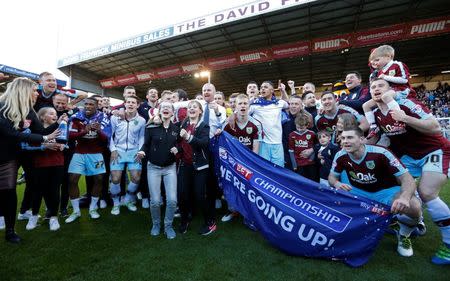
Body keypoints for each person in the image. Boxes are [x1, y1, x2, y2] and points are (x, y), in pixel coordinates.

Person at [367, 78, 450, 264]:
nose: (376, 89)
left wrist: (404, 118)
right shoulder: (374, 114)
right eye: (372, 87)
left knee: (427, 192)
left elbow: (435, 127)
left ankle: (449, 244)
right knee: (396, 192)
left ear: (391, 90)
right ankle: (410, 227)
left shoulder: (406, 104)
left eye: (381, 86)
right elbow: (376, 139)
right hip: (407, 156)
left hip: (432, 150)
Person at [328, 127, 422, 257]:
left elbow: (408, 179)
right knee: (335, 203)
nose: (345, 141)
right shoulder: (340, 155)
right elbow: (332, 177)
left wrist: (405, 198)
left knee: (414, 207)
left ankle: (404, 234)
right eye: (343, 138)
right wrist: (337, 183)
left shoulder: (381, 153)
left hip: (386, 191)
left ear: (361, 139)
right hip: (359, 192)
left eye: (350, 137)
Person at [0, 77, 59, 243]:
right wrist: (45, 137)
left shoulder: (29, 110)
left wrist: (59, 123)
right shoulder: (1, 106)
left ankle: (10, 231)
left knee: (9, 192)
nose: (37, 93)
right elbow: (12, 134)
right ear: (23, 91)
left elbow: (40, 131)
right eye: (34, 90)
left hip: (8, 158)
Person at [137, 101, 180, 239]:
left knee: (172, 200)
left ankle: (168, 226)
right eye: (163, 107)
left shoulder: (177, 128)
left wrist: (177, 148)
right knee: (155, 201)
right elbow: (146, 145)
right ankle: (156, 224)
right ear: (159, 111)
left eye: (169, 108)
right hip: (153, 168)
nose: (166, 109)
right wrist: (141, 152)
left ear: (173, 113)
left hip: (170, 168)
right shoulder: (150, 127)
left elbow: (180, 143)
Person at [65, 97, 111, 223]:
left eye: (91, 104)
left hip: (96, 154)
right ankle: (76, 211)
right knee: (72, 179)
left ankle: (92, 208)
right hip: (79, 152)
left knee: (99, 179)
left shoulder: (103, 118)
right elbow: (69, 136)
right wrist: (84, 131)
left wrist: (99, 131)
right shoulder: (76, 117)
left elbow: (106, 138)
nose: (88, 106)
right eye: (86, 104)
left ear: (97, 106)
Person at [25, 107, 66, 231]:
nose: (55, 115)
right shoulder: (34, 130)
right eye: (51, 113)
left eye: (55, 114)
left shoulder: (61, 128)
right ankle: (34, 216)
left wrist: (63, 145)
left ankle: (54, 218)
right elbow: (27, 146)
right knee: (38, 191)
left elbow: (66, 142)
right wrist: (44, 146)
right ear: (42, 117)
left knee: (54, 190)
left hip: (57, 163)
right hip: (40, 164)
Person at [221, 94, 260, 222]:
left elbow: (256, 146)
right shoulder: (228, 123)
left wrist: (252, 163)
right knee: (231, 185)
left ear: (249, 106)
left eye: (245, 103)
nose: (243, 106)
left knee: (248, 188)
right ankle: (232, 211)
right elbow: (223, 142)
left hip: (248, 163)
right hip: (232, 162)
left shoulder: (255, 124)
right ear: (235, 106)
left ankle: (249, 215)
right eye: (240, 103)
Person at [177, 100, 214, 235]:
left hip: (200, 166)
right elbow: (179, 143)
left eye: (195, 107)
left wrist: (188, 137)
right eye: (189, 107)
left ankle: (210, 222)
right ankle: (184, 220)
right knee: (182, 194)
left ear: (200, 111)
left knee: (200, 195)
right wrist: (177, 150)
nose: (192, 109)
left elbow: (204, 143)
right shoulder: (183, 124)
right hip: (184, 165)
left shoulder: (204, 126)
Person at [364, 45, 415, 138]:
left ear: (388, 56)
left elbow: (404, 80)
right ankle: (373, 126)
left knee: (386, 97)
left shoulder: (397, 65)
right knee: (366, 105)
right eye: (372, 61)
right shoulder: (378, 72)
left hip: (401, 89)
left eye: (377, 60)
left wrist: (386, 77)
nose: (374, 63)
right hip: (388, 93)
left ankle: (399, 119)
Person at [109, 95, 145, 215]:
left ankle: (129, 199)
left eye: (133, 103)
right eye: (128, 102)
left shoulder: (141, 120)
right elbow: (110, 135)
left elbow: (141, 137)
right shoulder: (115, 118)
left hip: (134, 152)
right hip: (118, 151)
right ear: (124, 104)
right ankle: (116, 203)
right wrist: (113, 149)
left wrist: (140, 150)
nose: (130, 104)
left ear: (137, 105)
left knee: (136, 177)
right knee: (115, 179)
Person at [249, 81, 289, 167]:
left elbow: (287, 103)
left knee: (279, 170)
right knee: (264, 170)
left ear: (272, 90)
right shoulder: (255, 105)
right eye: (261, 87)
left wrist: (283, 91)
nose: (262, 88)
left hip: (277, 143)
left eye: (265, 87)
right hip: (262, 143)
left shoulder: (279, 103)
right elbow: (242, 113)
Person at [288, 111, 317, 181]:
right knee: (300, 181)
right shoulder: (292, 135)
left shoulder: (312, 134)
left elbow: (316, 146)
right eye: (298, 127)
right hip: (298, 163)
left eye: (302, 128)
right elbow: (291, 151)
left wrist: (311, 159)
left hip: (310, 163)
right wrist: (294, 165)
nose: (299, 130)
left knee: (311, 180)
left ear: (307, 125)